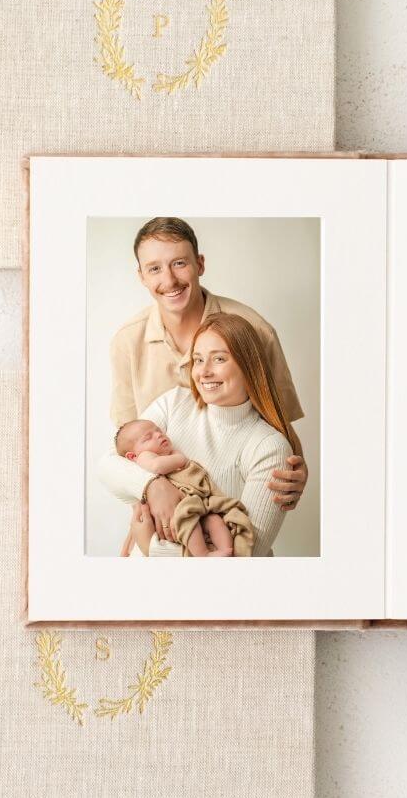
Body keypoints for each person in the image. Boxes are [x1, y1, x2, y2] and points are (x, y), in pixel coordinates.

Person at [109, 217, 307, 547]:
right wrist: (152, 492)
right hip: (160, 523)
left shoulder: (253, 332)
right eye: (154, 268)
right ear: (141, 276)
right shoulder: (127, 342)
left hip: (228, 517)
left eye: (179, 263)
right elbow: (122, 451)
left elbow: (281, 425)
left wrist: (298, 472)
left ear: (200, 264)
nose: (169, 279)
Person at [99, 313, 294, 557]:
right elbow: (107, 464)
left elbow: (245, 554)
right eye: (198, 360)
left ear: (248, 365)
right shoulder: (174, 403)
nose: (204, 372)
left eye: (219, 359)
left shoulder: (269, 447)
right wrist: (153, 485)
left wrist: (151, 547)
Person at [114, 418, 254, 558]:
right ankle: (203, 554)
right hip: (180, 509)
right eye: (148, 437)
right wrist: (180, 459)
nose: (158, 435)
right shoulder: (143, 457)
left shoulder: (166, 452)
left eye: (158, 431)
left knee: (214, 520)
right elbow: (156, 467)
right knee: (189, 523)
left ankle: (227, 551)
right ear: (132, 456)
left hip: (195, 503)